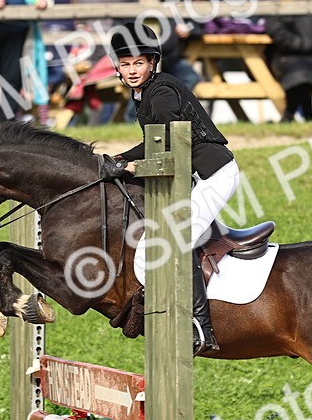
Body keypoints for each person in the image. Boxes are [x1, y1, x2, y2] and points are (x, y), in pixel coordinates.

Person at [102, 23, 238, 355]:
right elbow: (154, 141)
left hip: (214, 174)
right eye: (126, 64)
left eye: (138, 63)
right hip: (199, 175)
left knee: (178, 238)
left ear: (152, 63)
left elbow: (165, 147)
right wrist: (119, 157)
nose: (132, 70)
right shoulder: (145, 93)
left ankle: (201, 328)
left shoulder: (160, 94)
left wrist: (130, 166)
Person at [127, 0, 200, 88]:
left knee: (190, 78)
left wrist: (188, 29)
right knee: (143, 91)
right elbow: (121, 25)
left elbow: (198, 25)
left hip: (171, 60)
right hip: (141, 61)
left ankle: (167, 109)